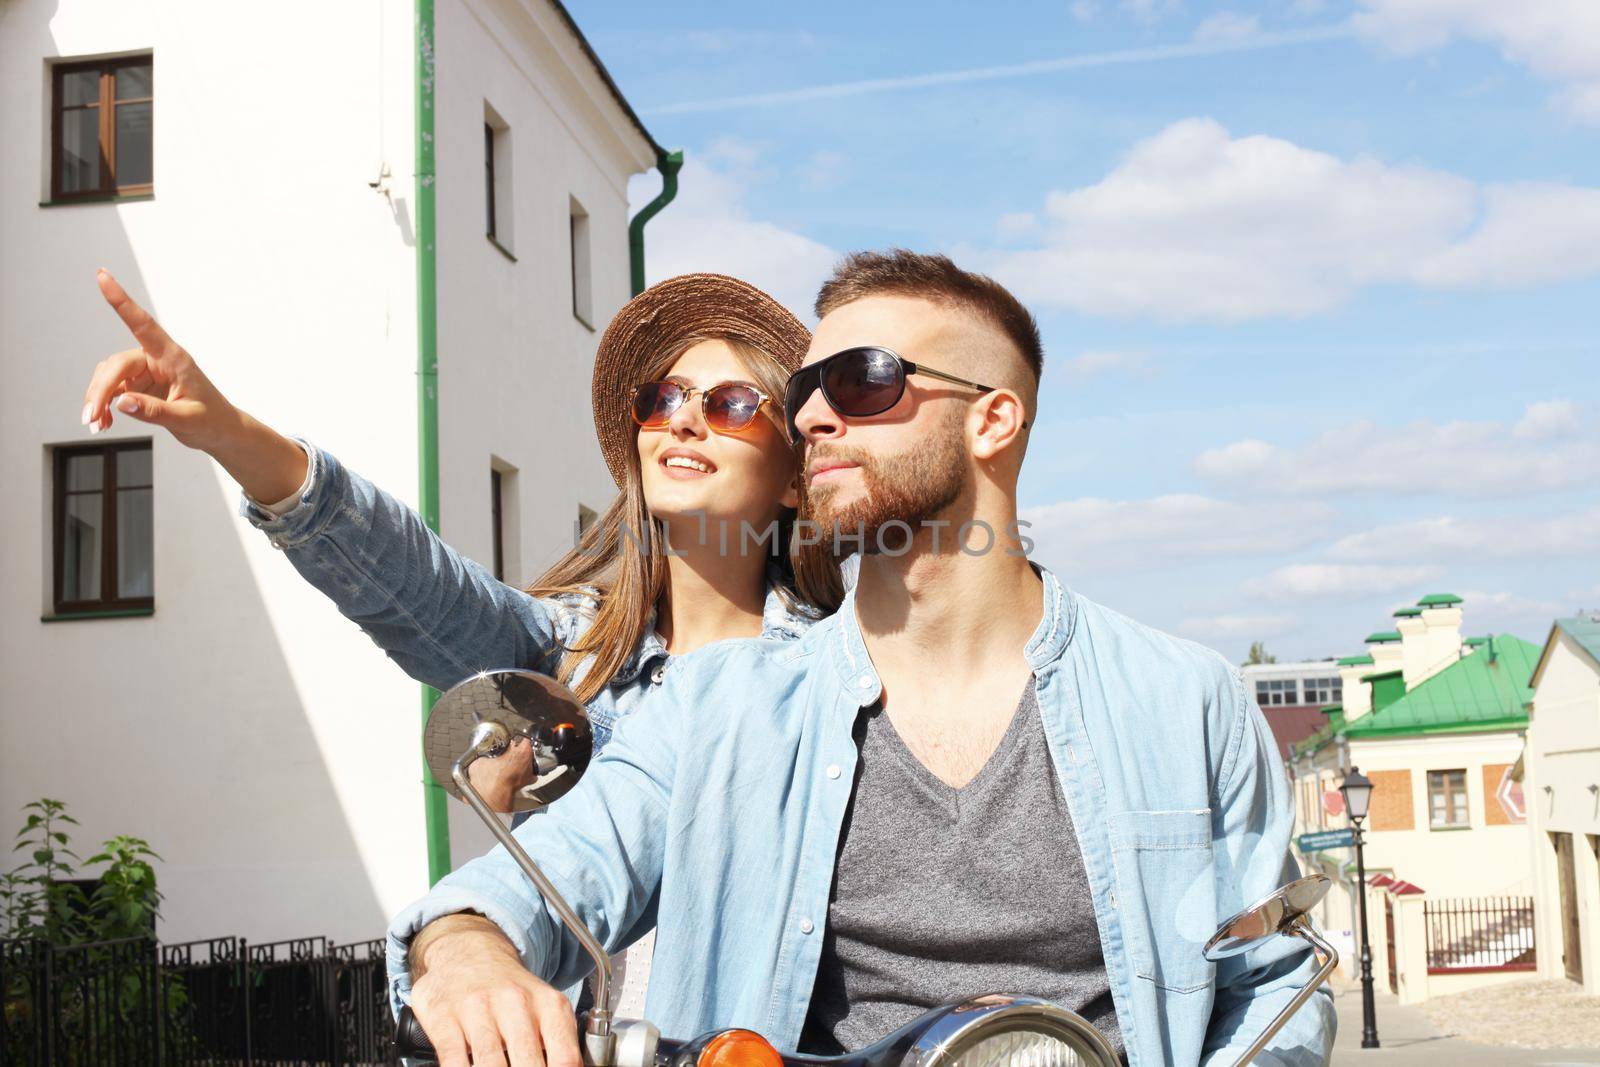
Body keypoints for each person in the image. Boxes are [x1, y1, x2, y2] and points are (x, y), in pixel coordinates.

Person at [386, 250, 1335, 1067]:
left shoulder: (1181, 697)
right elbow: (543, 881)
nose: (812, 420)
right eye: (805, 392)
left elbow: (1275, 984)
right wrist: (469, 952)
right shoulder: (719, 707)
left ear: (992, 420)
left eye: (864, 382)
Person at [77, 268, 844, 1011]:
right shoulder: (565, 653)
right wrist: (229, 433)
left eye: (734, 403)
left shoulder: (834, 683)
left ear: (792, 478)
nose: (683, 418)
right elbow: (411, 578)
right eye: (663, 397)